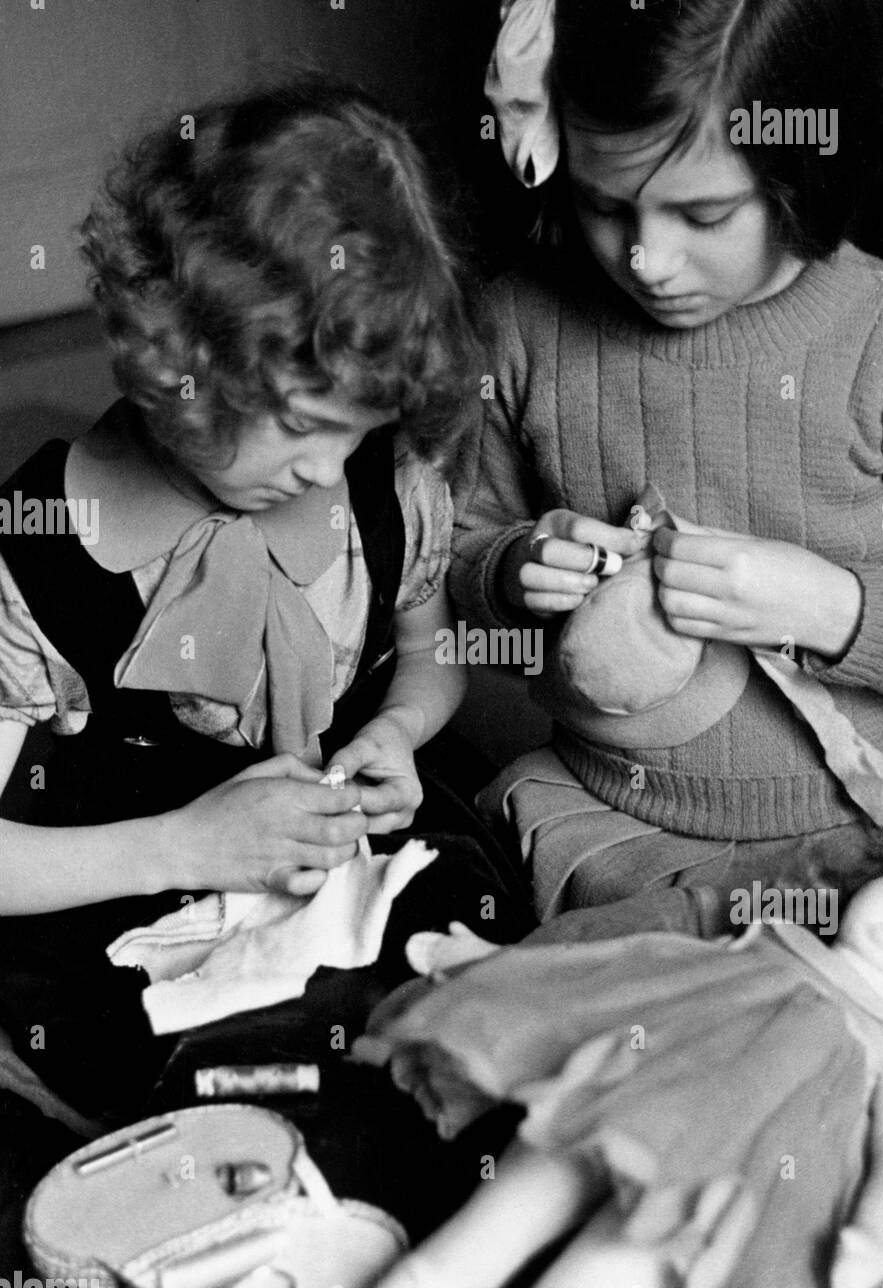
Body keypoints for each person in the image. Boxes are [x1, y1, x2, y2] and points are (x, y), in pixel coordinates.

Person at [0, 75, 528, 1127]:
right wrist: (188, 845)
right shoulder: (37, 561)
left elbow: (430, 648)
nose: (330, 469)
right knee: (256, 1089)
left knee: (479, 976)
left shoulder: (379, 477)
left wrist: (400, 729)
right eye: (298, 427)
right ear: (179, 361)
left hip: (335, 855)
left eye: (356, 427)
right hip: (135, 888)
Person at [450, 0, 883, 917]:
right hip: (614, 820)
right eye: (605, 206)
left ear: (798, 176)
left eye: (703, 213)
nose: (647, 259)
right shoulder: (518, 328)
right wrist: (512, 568)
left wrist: (833, 610)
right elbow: (447, 559)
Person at [359, 813, 883, 1288]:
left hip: (715, 1197)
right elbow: (626, 971)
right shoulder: (763, 938)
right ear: (868, 879)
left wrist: (867, 1247)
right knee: (459, 1257)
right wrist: (495, 962)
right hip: (605, 1106)